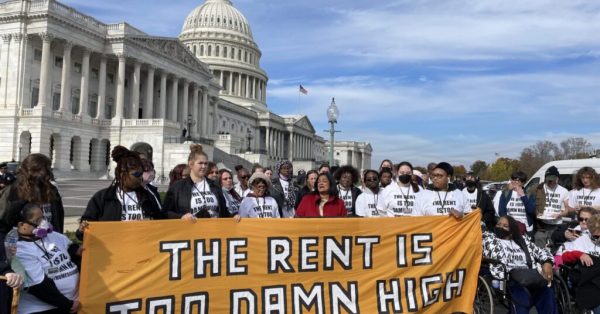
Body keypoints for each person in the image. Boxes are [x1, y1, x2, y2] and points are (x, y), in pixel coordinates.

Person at [78, 146, 165, 235]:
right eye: (137, 174)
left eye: (141, 173)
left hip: (141, 245)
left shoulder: (148, 196)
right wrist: (82, 230)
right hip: (113, 246)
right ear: (122, 174)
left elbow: (162, 222)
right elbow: (86, 227)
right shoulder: (103, 197)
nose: (140, 177)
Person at [483, 215, 556, 314]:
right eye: (498, 224)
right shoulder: (490, 240)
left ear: (512, 230)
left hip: (530, 277)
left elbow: (541, 252)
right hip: (510, 279)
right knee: (521, 296)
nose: (500, 227)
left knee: (546, 293)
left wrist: (548, 263)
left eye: (505, 226)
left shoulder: (522, 241)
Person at [16, 203, 80, 313]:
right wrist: (68, 304)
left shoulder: (52, 235)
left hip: (73, 302)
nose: (43, 224)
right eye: (37, 221)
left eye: (43, 218)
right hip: (44, 308)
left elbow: (74, 250)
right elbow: (39, 287)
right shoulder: (20, 250)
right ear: (21, 225)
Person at [0, 154, 64, 235]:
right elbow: (4, 221)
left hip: (49, 241)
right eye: (45, 168)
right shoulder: (15, 191)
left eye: (49, 168)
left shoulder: (51, 190)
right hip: (23, 243)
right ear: (33, 170)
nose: (49, 172)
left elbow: (58, 219)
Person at [163, 144, 228, 220]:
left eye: (206, 163)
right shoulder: (177, 187)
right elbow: (165, 213)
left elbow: (224, 211)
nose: (203, 166)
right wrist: (181, 217)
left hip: (214, 230)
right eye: (200, 163)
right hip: (189, 229)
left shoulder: (215, 185)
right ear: (191, 164)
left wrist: (234, 217)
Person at [561, 214, 600, 313]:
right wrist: (579, 254)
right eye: (596, 236)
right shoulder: (582, 240)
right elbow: (564, 257)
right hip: (584, 278)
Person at [534, 166, 569, 248]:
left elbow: (567, 210)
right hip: (542, 224)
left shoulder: (564, 191)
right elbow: (532, 203)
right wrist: (536, 212)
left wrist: (559, 215)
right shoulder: (539, 189)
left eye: (552, 180)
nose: (550, 182)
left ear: (557, 179)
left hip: (557, 225)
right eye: (548, 180)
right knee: (539, 241)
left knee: (553, 245)